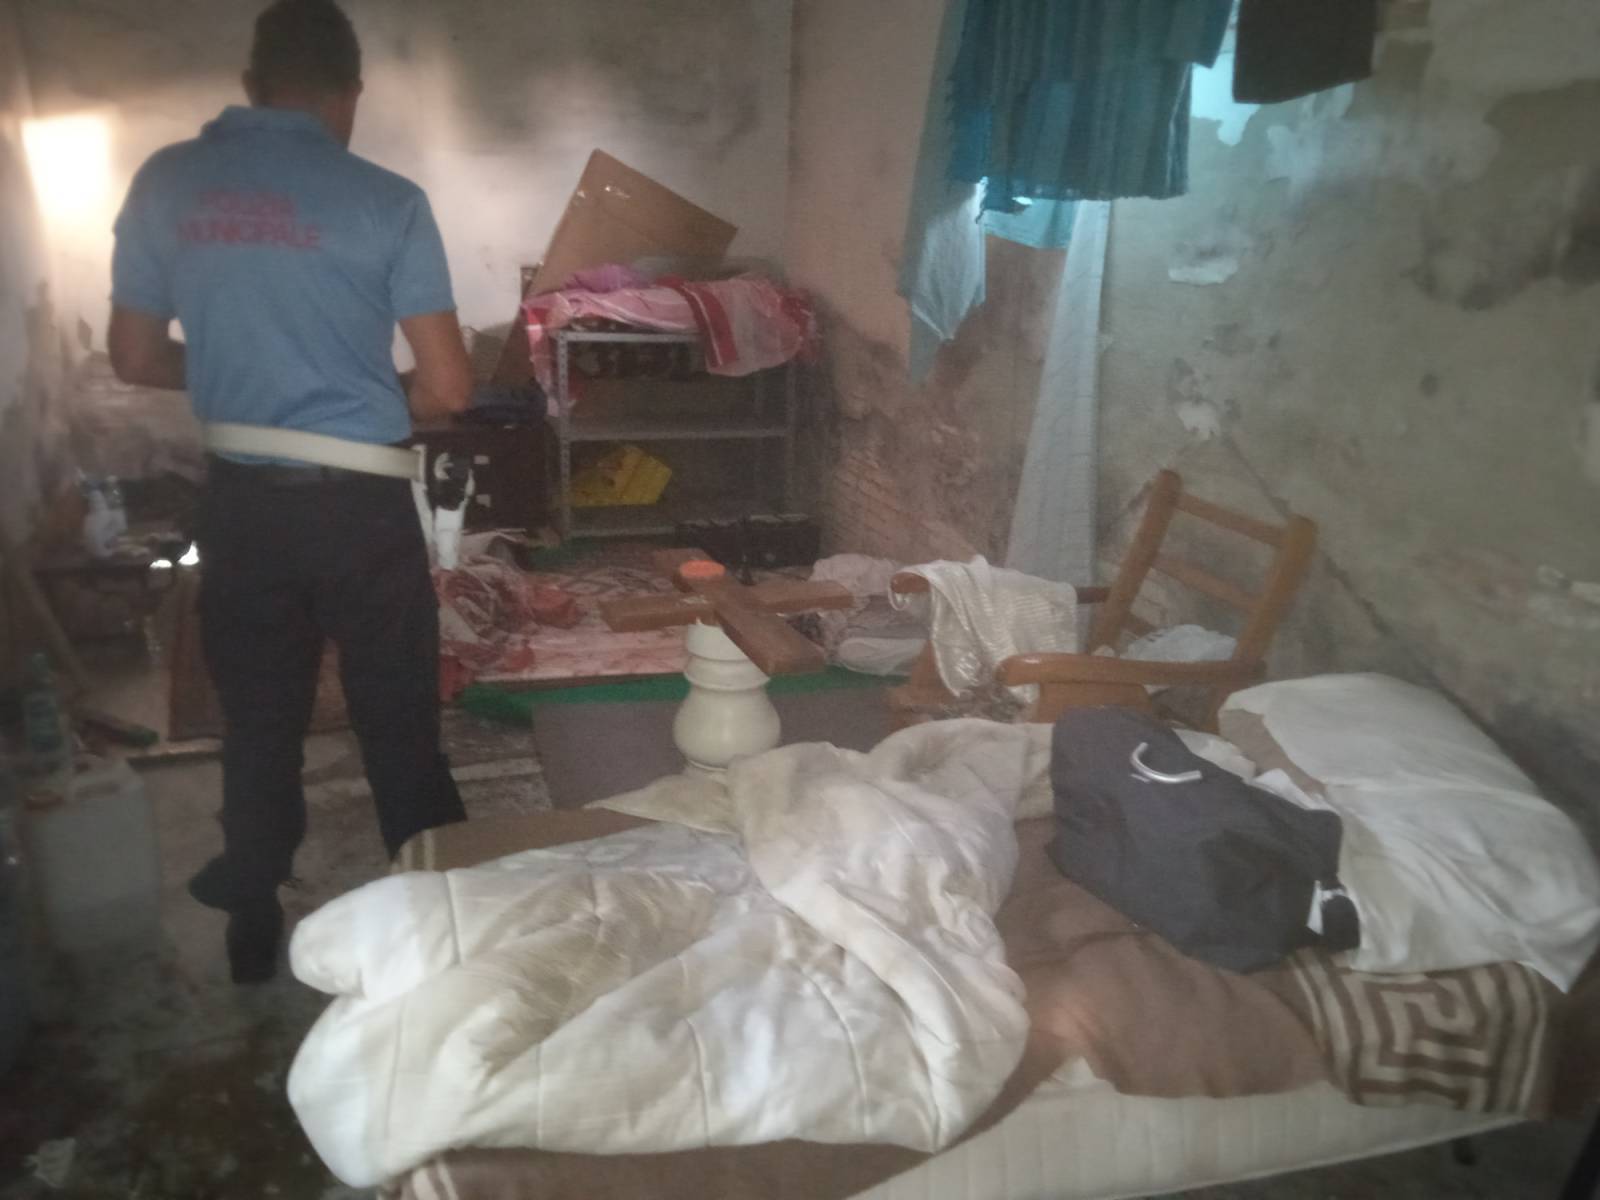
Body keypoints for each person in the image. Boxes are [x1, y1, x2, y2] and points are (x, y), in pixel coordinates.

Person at [108, 0, 472, 983]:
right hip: (361, 510)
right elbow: (447, 388)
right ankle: (444, 930)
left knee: (259, 721)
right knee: (397, 722)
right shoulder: (387, 201)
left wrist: (243, 378)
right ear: (350, 93)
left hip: (242, 506)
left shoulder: (168, 182)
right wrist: (359, 391)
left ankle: (252, 920)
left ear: (250, 86)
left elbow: (133, 355)